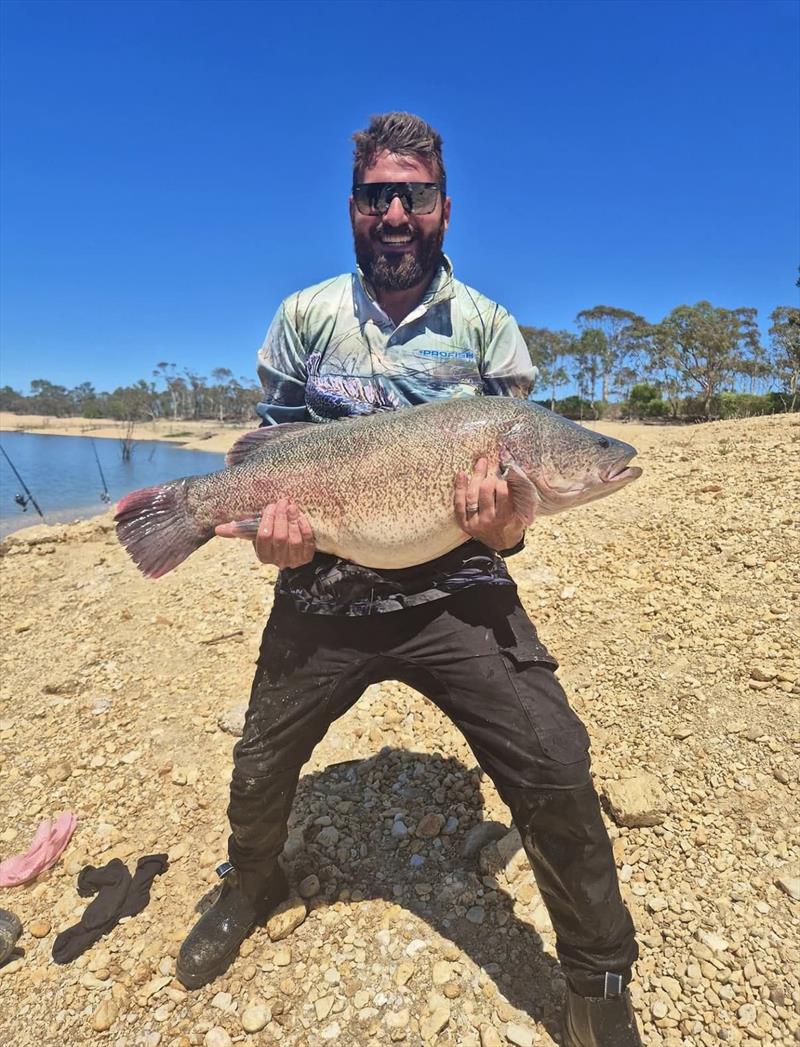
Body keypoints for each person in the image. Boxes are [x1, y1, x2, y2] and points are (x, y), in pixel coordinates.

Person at [176, 112, 642, 1046]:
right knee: (260, 766)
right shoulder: (304, 319)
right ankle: (253, 877)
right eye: (377, 195)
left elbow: (513, 522)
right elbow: (267, 451)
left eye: (414, 194)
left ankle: (595, 979)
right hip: (322, 590)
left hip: (459, 594)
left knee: (557, 758)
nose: (396, 211)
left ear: (443, 207)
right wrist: (270, 535)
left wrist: (508, 527)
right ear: (354, 209)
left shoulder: (489, 332)